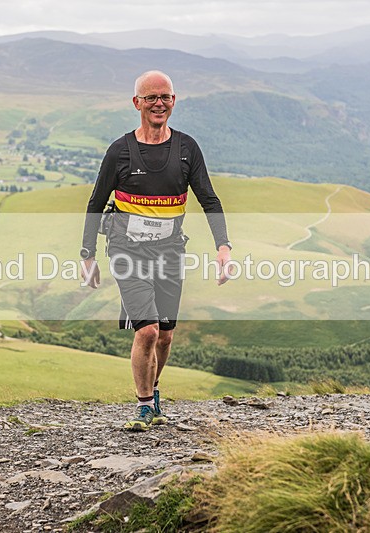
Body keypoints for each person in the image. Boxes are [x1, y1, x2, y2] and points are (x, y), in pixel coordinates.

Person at [80, 70, 232, 431]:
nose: (159, 103)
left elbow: (209, 199)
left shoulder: (186, 149)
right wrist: (88, 255)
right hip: (125, 249)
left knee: (165, 334)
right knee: (146, 330)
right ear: (137, 104)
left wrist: (223, 246)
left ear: (174, 101)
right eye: (151, 98)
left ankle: (154, 390)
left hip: (169, 252)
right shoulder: (119, 151)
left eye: (165, 97)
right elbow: (96, 201)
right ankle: (145, 405)